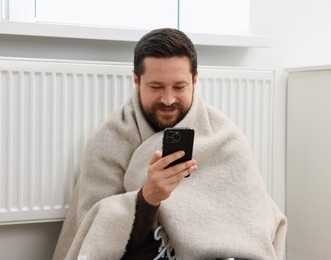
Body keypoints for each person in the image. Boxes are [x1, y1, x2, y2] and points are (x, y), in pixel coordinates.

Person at [53, 28, 287, 260]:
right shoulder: (107, 142)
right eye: (156, 87)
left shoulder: (224, 137)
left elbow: (252, 223)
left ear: (195, 80)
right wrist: (147, 198)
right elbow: (95, 239)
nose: (168, 99)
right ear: (136, 80)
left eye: (179, 87)